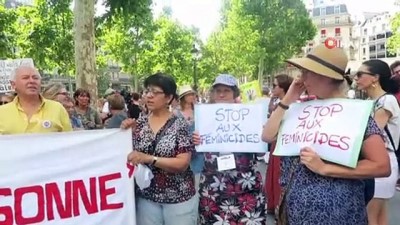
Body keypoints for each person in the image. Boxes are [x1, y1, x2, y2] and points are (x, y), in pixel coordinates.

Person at [262, 45, 390, 225]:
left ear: (325, 77)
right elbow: (267, 136)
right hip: (295, 213)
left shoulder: (355, 113)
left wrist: (324, 168)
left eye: (307, 72)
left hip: (340, 215)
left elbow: (381, 166)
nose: (301, 78)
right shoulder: (299, 109)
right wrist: (288, 99)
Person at [193, 74, 267, 225]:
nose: (221, 94)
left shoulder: (249, 116)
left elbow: (260, 153)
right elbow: (195, 154)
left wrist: (261, 135)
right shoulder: (204, 117)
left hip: (246, 187)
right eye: (218, 90)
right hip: (214, 189)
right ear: (212, 94)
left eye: (226, 90)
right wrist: (195, 141)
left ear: (235, 94)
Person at [124, 73, 197, 225]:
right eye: (147, 91)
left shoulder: (180, 124)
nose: (149, 96)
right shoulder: (140, 124)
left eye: (155, 92)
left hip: (178, 197)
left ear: (169, 98)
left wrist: (150, 158)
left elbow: (182, 163)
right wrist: (123, 134)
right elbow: (129, 156)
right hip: (147, 197)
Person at [354, 59, 400, 225]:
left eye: (360, 74)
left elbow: (371, 133)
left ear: (375, 77)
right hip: (377, 162)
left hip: (380, 161)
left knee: (371, 217)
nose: (356, 78)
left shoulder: (386, 101)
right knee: (379, 217)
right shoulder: (369, 103)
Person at [0, 65, 72, 134]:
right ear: (13, 84)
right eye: (25, 78)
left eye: (35, 78)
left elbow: (70, 141)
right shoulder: (2, 112)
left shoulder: (57, 108)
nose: (31, 81)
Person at [265, 74, 293, 215]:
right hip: (275, 143)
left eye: (274, 85)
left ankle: (279, 206)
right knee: (274, 175)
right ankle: (273, 203)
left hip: (284, 145)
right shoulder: (276, 102)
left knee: (280, 176)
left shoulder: (293, 105)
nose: (272, 88)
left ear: (283, 88)